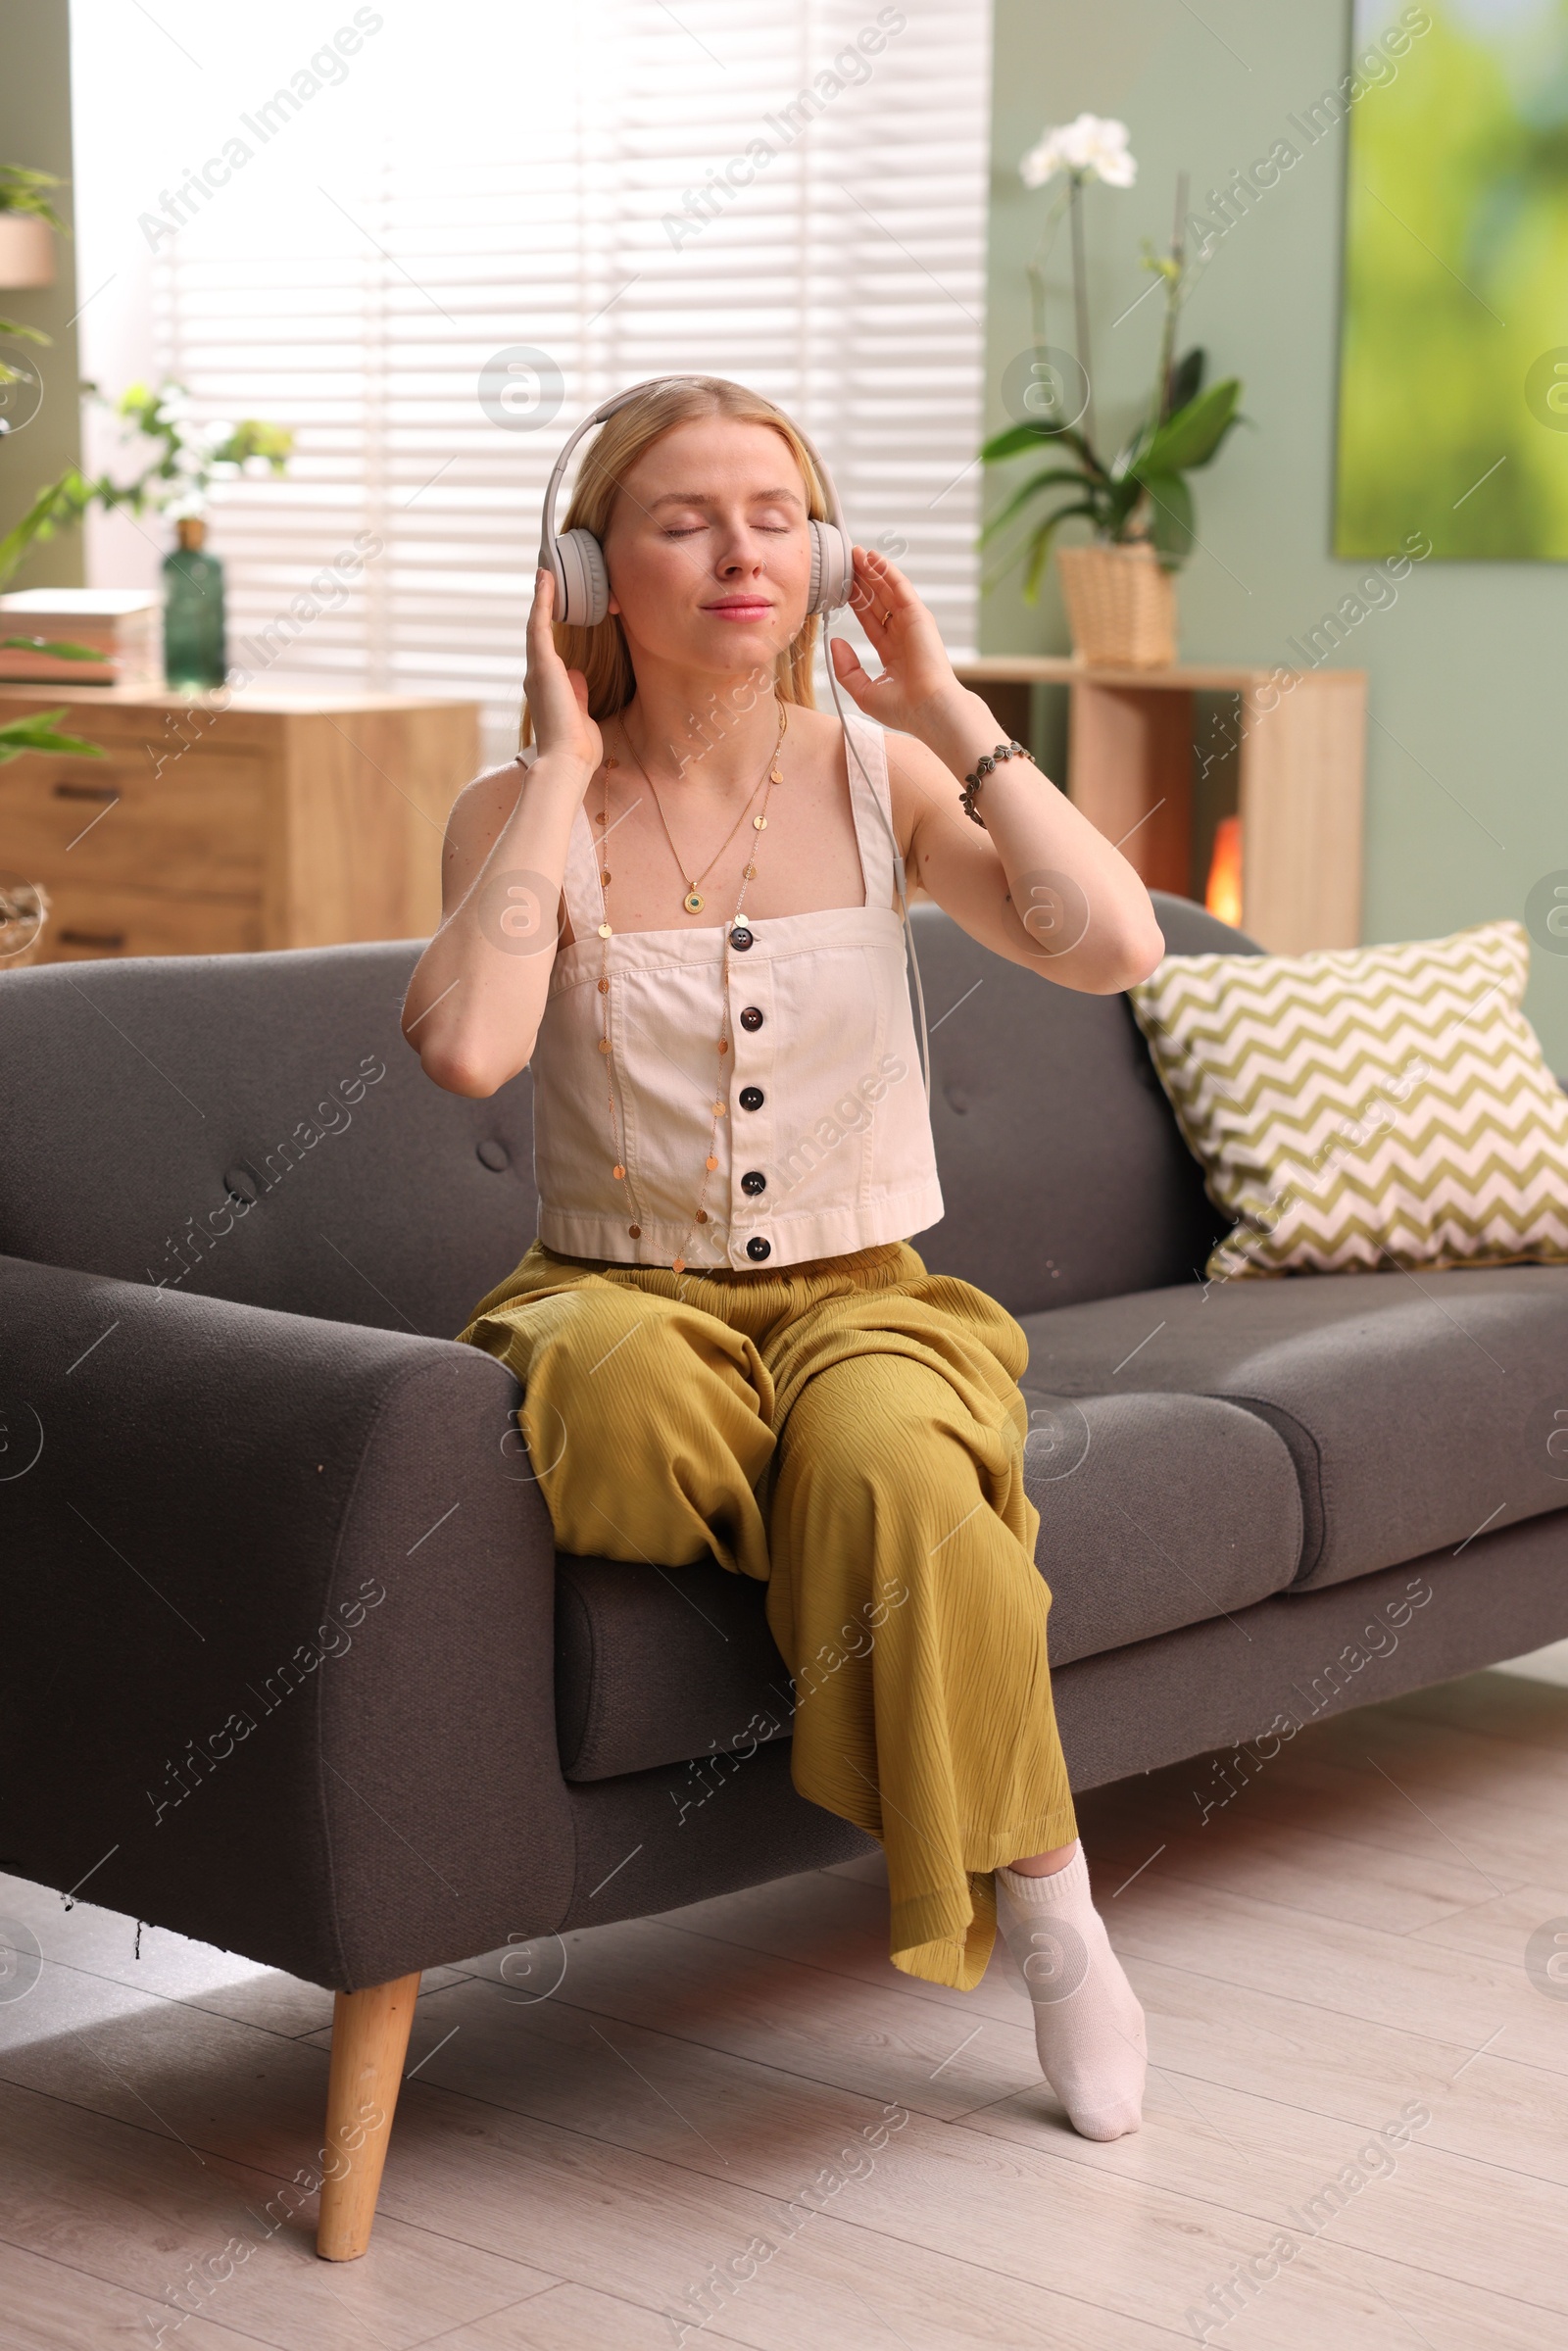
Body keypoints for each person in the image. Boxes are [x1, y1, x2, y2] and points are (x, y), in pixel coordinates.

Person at [402, 375, 1165, 2140]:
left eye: (773, 513)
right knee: (614, 1393)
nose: (740, 549)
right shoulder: (516, 812)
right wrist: (563, 768)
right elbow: (464, 1050)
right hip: (612, 1296)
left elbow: (1116, 942)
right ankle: (848, 1535)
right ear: (591, 575)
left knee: (894, 1452)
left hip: (864, 1299)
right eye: (683, 518)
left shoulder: (880, 776)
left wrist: (955, 711)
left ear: (819, 554)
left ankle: (1051, 1904)